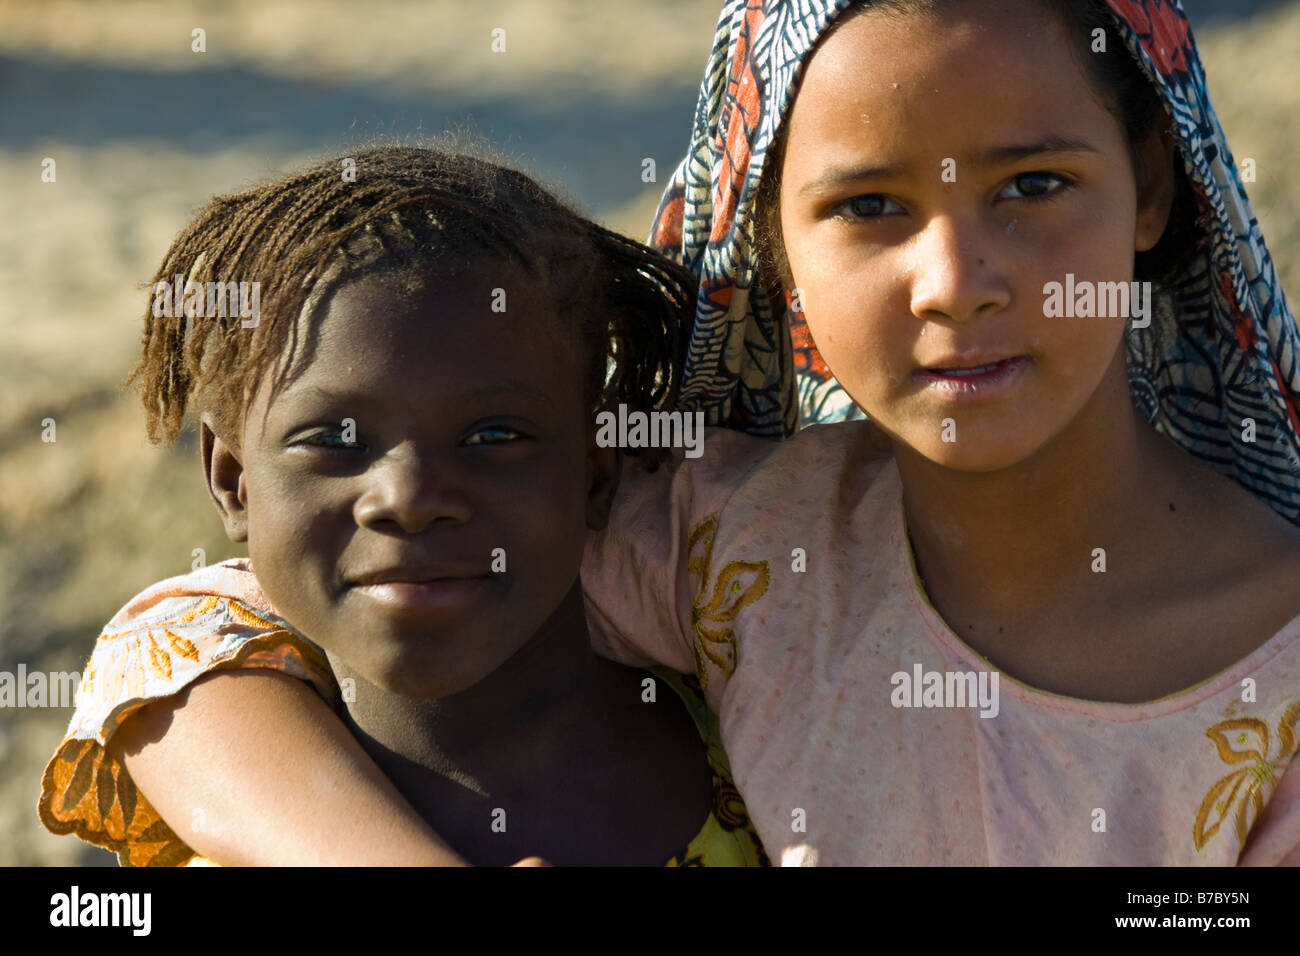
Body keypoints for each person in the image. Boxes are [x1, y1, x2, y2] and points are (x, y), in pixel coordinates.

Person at [41, 0, 1300, 865]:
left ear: (1152, 183)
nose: (953, 279)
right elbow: (184, 637)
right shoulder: (742, 546)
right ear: (770, 244)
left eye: (1033, 186)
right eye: (867, 205)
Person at [37, 144, 768, 867]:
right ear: (233, 482)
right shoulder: (240, 820)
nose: (410, 501)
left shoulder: (769, 749)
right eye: (334, 440)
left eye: (493, 435)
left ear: (595, 473)